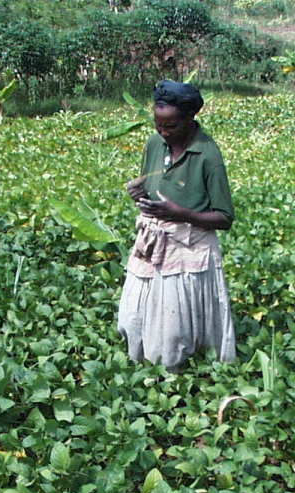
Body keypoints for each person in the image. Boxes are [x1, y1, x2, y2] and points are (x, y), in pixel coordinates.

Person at [117, 80, 237, 370]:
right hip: (152, 242)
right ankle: (144, 371)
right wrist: (140, 194)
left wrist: (181, 213)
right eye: (158, 125)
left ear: (189, 119)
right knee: (131, 319)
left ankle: (179, 376)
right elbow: (152, 185)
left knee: (172, 336)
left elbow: (224, 218)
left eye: (170, 126)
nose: (163, 132)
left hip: (189, 248)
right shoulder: (155, 143)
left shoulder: (208, 155)